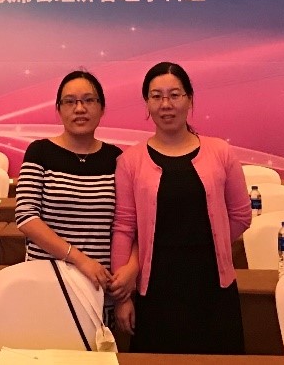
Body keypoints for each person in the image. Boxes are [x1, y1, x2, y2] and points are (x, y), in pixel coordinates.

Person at [108, 62, 251, 354]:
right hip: (155, 291)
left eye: (175, 95)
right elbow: (124, 228)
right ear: (147, 103)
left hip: (214, 288)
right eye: (156, 96)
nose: (166, 104)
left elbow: (240, 215)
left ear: (190, 99)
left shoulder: (220, 152)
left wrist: (212, 243)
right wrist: (123, 298)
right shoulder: (130, 161)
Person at [15, 69, 122, 290]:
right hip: (47, 283)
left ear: (102, 108)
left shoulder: (116, 158)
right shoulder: (40, 152)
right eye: (70, 101)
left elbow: (126, 223)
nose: (80, 109)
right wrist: (80, 260)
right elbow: (26, 216)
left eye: (89, 100)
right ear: (59, 109)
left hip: (100, 284)